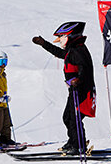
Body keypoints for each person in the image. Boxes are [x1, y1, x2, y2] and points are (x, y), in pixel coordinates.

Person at [32, 22, 96, 154]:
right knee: (67, 117)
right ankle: (74, 141)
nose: (59, 40)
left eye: (61, 37)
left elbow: (85, 68)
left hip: (82, 90)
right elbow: (60, 53)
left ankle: (79, 145)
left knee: (74, 118)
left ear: (68, 36)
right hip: (74, 90)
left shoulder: (79, 50)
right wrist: (44, 43)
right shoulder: (72, 50)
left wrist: (79, 80)